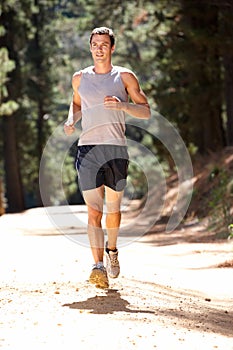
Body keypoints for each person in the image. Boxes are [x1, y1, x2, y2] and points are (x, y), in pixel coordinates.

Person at [64, 27, 150, 289]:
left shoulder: (124, 76)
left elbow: (145, 111)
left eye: (104, 44)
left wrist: (122, 105)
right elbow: (77, 103)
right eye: (94, 44)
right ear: (90, 47)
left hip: (115, 150)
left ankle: (112, 250)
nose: (99, 48)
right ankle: (97, 265)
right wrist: (71, 118)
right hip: (87, 149)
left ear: (112, 48)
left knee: (113, 210)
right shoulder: (79, 78)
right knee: (94, 211)